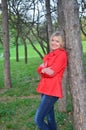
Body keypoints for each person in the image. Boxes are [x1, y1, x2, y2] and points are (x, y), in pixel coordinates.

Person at [34, 31, 67, 130]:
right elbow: (40, 70)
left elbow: (51, 72)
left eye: (57, 41)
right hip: (45, 89)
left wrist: (43, 69)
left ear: (61, 43)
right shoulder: (49, 55)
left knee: (38, 119)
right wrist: (44, 69)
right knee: (50, 117)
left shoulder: (62, 55)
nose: (54, 43)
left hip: (52, 91)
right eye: (53, 40)